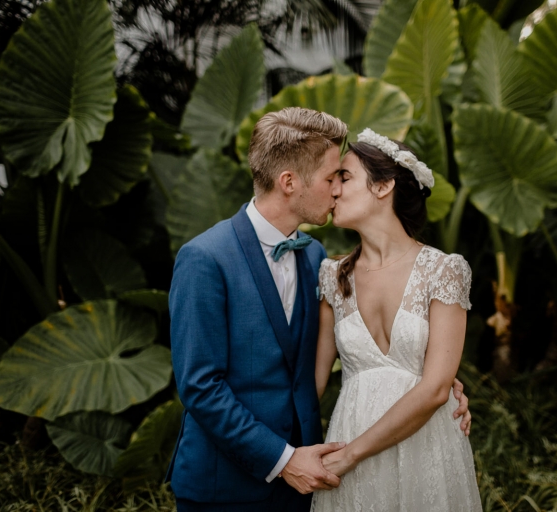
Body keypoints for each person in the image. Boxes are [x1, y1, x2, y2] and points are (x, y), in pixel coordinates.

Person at [166, 108, 472, 511]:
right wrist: (284, 459)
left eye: (343, 178)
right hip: (227, 483)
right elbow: (200, 386)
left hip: (309, 477)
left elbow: (309, 366)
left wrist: (438, 381)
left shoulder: (316, 259)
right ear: (289, 182)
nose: (336, 190)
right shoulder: (205, 258)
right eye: (332, 178)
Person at [311, 129, 482, 511]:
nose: (333, 190)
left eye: (345, 177)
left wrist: (352, 454)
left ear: (384, 186)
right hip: (346, 442)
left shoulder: (444, 271)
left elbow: (437, 388)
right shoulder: (330, 277)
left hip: (426, 444)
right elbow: (310, 384)